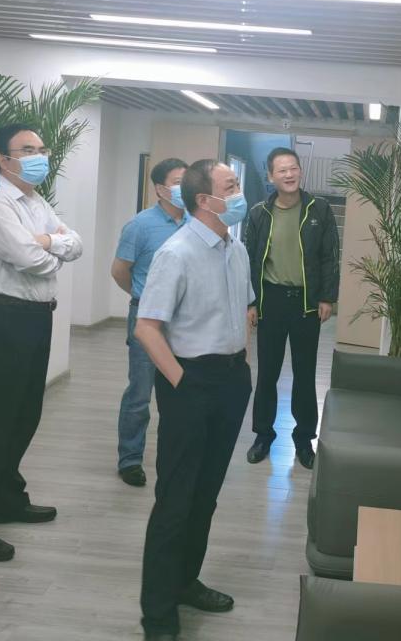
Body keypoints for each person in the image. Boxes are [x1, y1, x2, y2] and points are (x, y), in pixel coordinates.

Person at [0, 123, 83, 562]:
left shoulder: (35, 200)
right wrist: (49, 248)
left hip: (36, 317)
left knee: (25, 415)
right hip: (3, 317)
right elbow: (27, 257)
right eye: (27, 149)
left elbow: (75, 244)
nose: (39, 155)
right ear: (3, 160)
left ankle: (7, 498)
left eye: (41, 148)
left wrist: (47, 243)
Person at [134, 159, 253, 641]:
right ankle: (158, 613)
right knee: (176, 500)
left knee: (206, 494)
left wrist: (240, 362)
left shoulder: (236, 248)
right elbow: (147, 328)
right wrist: (183, 385)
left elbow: (243, 311)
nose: (240, 192)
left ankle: (186, 581)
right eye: (231, 186)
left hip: (231, 380)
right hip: (191, 382)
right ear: (205, 200)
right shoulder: (176, 252)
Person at [244, 147, 339, 469]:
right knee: (267, 373)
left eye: (293, 168)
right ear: (271, 176)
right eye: (282, 170)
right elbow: (250, 261)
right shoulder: (259, 213)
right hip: (270, 300)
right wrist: (251, 301)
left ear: (300, 171)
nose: (289, 174)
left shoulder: (319, 209)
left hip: (305, 303)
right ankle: (263, 435)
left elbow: (329, 256)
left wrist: (326, 298)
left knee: (304, 374)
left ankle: (303, 439)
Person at [110, 157, 188, 487]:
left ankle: (176, 457)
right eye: (178, 182)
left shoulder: (195, 223)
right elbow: (119, 271)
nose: (186, 187)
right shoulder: (140, 225)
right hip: (147, 317)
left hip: (184, 320)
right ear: (160, 189)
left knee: (181, 390)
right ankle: (130, 459)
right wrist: (143, 297)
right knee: (140, 392)